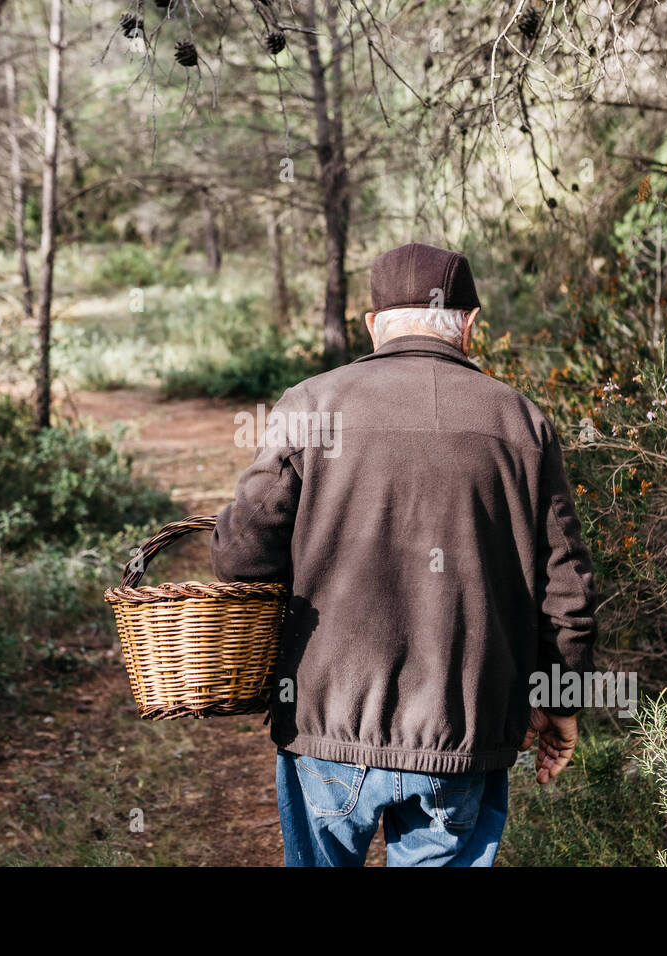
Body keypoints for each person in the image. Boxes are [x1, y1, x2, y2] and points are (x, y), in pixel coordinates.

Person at [211, 242, 599, 867]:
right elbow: (568, 588)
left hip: (328, 726)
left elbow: (240, 559)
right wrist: (560, 702)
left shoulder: (309, 407)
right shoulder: (523, 422)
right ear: (470, 323)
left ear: (372, 324)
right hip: (463, 735)